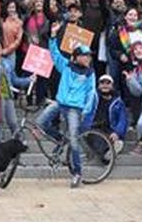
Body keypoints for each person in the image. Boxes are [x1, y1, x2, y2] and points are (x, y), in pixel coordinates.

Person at [40, 24, 99, 188]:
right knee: (41, 122)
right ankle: (60, 139)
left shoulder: (90, 73)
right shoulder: (66, 65)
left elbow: (91, 93)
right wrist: (53, 36)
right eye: (85, 55)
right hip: (60, 103)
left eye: (89, 56)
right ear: (77, 56)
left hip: (75, 109)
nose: (88, 58)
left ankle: (77, 173)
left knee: (74, 141)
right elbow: (55, 54)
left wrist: (86, 111)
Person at [0, 38, 32, 142]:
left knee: (13, 121)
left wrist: (29, 80)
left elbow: (14, 80)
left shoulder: (8, 63)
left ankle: (19, 141)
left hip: (7, 95)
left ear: (2, 49)